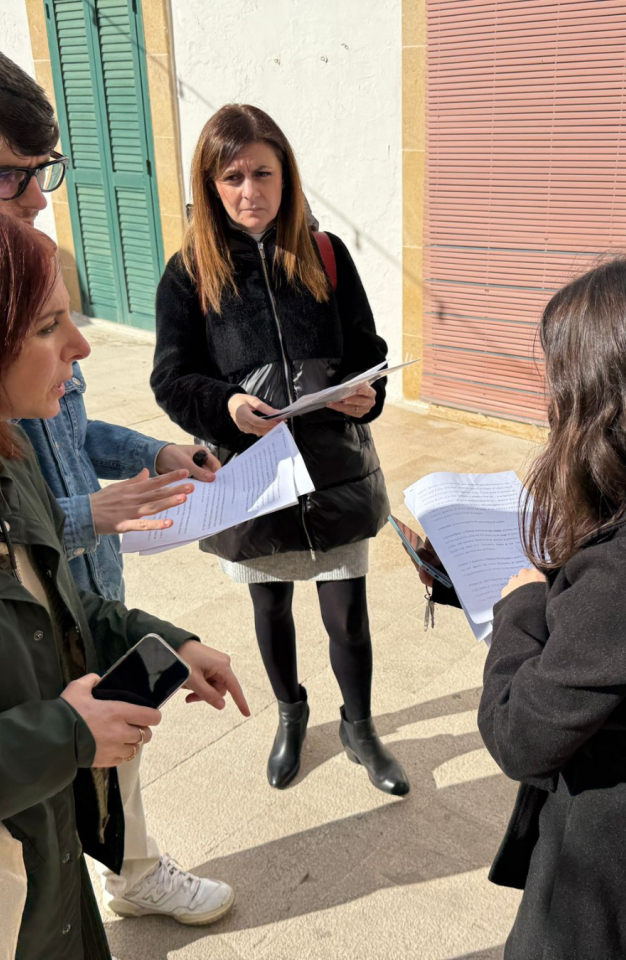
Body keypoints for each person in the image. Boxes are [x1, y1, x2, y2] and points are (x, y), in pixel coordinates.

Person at [0, 42, 235, 924]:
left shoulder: (0, 437)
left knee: (103, 757)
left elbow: (74, 429)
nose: (39, 200)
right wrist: (53, 738)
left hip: (72, 618)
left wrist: (153, 457)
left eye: (45, 171)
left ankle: (132, 869)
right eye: (9, 178)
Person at [426, 255, 626, 958]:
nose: (551, 399)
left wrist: (522, 606)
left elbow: (517, 735)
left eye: (561, 379)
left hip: (615, 862)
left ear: (609, 394)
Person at [151, 103, 409, 796]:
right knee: (270, 610)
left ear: (286, 175)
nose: (249, 191)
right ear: (209, 184)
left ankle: (359, 728)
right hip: (254, 478)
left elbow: (367, 351)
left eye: (262, 172)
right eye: (231, 176)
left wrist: (367, 393)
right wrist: (227, 406)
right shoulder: (187, 273)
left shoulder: (326, 254)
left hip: (334, 471)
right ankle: (291, 715)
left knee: (347, 614)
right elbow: (171, 379)